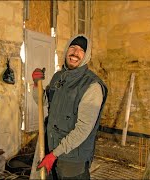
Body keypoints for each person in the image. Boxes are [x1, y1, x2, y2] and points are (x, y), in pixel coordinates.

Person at [31, 34, 108, 179]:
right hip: (51, 148)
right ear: (67, 50)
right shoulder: (58, 77)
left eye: (81, 50)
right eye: (72, 47)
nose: (75, 52)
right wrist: (36, 85)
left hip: (73, 158)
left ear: (87, 56)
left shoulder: (92, 86)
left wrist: (54, 154)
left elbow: (83, 129)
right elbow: (44, 102)